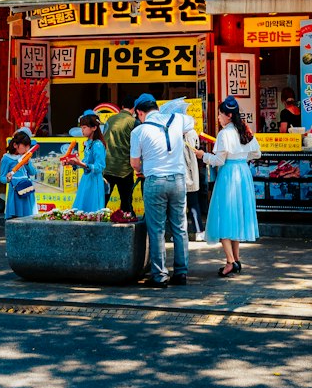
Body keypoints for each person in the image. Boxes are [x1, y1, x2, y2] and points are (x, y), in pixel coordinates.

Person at [129, 92, 193, 288]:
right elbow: (191, 123)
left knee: (156, 229)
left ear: (140, 112)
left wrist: (142, 169)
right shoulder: (177, 118)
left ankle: (160, 276)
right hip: (178, 180)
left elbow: (134, 163)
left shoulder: (138, 132)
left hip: (155, 181)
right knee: (180, 227)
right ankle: (181, 273)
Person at [199, 96, 261, 276]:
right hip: (243, 173)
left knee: (224, 215)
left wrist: (202, 155)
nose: (218, 117)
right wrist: (241, 158)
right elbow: (257, 153)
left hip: (228, 175)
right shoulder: (245, 130)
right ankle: (236, 258)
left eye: (219, 114)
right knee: (236, 216)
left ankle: (230, 261)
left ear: (228, 115)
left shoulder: (224, 134)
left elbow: (219, 160)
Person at [102, 105, 137, 215]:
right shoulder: (133, 122)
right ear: (134, 108)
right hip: (124, 168)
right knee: (126, 202)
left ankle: (97, 226)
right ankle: (126, 227)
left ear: (122, 106)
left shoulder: (110, 119)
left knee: (102, 201)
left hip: (108, 165)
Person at [70, 111, 107, 211]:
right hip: (86, 180)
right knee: (83, 209)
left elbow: (100, 166)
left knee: (92, 210)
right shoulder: (88, 143)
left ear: (94, 128)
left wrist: (81, 164)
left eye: (84, 127)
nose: (82, 130)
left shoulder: (98, 144)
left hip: (94, 180)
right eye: (81, 127)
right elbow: (85, 161)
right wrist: (74, 163)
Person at [3, 127, 38, 219]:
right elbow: (2, 178)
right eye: (25, 146)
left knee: (29, 217)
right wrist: (7, 178)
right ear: (15, 145)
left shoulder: (25, 156)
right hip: (15, 192)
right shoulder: (6, 158)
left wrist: (27, 164)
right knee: (16, 218)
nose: (27, 149)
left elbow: (33, 172)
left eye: (28, 146)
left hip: (27, 189)